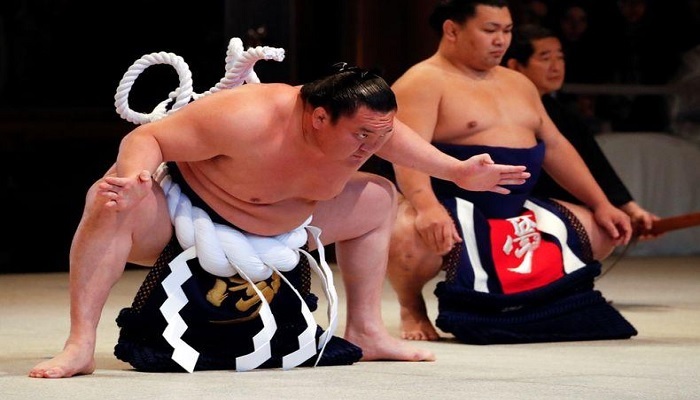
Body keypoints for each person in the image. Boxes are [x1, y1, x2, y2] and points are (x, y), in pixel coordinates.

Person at [28, 63, 530, 378]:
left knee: (378, 196)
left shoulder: (368, 128)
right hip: (187, 221)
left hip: (284, 229)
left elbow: (395, 139)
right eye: (361, 137)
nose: (372, 146)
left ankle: (367, 330)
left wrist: (458, 171)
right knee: (106, 198)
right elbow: (149, 138)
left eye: (380, 134)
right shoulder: (247, 116)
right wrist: (135, 178)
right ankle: (80, 344)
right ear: (317, 118)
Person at [386, 0, 635, 342]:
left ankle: (536, 305)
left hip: (518, 205)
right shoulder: (423, 81)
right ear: (452, 30)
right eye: (490, 30)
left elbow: (556, 147)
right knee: (410, 235)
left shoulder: (519, 83)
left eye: (507, 31)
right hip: (450, 201)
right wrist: (428, 207)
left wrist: (603, 203)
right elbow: (406, 154)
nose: (501, 40)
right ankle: (411, 307)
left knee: (603, 230)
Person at [502, 23, 658, 234]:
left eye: (560, 57)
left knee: (602, 225)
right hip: (510, 206)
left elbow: (594, 163)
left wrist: (630, 209)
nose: (556, 66)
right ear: (516, 65)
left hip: (555, 207)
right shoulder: (501, 109)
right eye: (545, 58)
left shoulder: (562, 113)